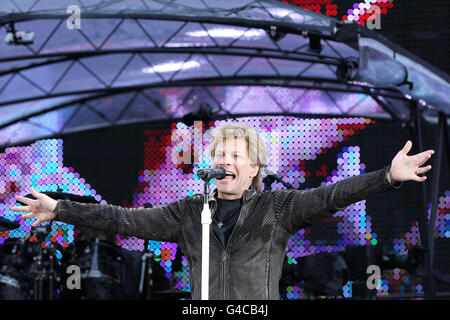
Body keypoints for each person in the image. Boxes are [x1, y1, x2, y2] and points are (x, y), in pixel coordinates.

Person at [13, 124, 435, 300]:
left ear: (254, 168)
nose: (226, 161)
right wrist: (60, 208)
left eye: (236, 154)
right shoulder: (190, 210)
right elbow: (123, 219)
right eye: (220, 154)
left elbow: (333, 196)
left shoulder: (279, 207)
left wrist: (388, 176)